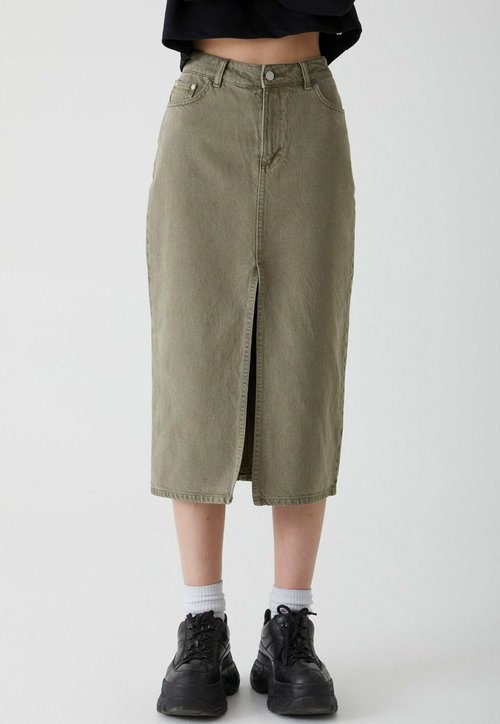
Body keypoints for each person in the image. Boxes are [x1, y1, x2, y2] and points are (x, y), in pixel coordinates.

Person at [146, 0, 362, 717]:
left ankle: (289, 626)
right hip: (205, 105)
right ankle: (202, 624)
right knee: (194, 358)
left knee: (306, 357)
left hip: (308, 103)